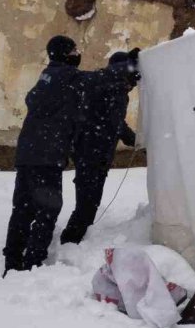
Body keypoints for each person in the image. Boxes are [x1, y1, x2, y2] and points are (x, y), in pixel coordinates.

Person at [3, 35, 85, 275]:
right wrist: (126, 66)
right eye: (74, 50)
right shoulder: (68, 76)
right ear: (65, 54)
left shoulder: (47, 76)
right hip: (48, 158)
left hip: (28, 155)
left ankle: (12, 263)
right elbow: (99, 79)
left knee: (22, 209)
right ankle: (33, 264)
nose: (78, 54)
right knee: (47, 210)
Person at [60, 50, 141, 245]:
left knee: (89, 200)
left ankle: (77, 240)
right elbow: (116, 123)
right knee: (87, 202)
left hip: (93, 151)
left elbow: (115, 122)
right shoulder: (111, 86)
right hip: (92, 151)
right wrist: (138, 141)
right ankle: (70, 242)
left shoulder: (108, 86)